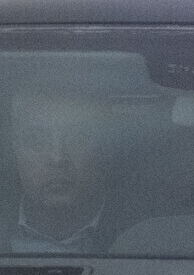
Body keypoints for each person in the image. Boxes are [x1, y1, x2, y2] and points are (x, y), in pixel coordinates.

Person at [6, 86, 118, 252]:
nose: (57, 158)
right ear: (14, 149)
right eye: (36, 139)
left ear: (105, 147)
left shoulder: (146, 237)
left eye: (78, 137)